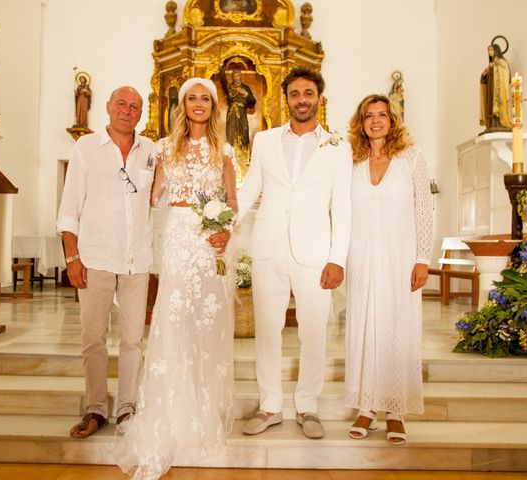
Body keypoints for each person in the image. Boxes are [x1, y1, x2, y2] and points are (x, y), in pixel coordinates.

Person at [116, 78, 237, 480]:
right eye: (192, 98)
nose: (198, 104)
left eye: (205, 98)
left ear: (213, 106)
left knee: (208, 326)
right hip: (178, 240)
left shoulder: (225, 151)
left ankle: (203, 413)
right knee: (174, 323)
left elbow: (233, 204)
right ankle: (170, 413)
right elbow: (150, 198)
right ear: (182, 105)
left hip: (210, 244)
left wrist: (226, 230)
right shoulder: (164, 149)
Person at [237, 67, 351, 439]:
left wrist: (337, 258)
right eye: (295, 94)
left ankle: (308, 405)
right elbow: (251, 187)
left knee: (313, 332)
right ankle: (270, 405)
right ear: (285, 99)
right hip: (268, 248)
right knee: (267, 331)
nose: (302, 99)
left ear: (319, 98)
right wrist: (221, 222)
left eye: (308, 93)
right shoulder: (265, 141)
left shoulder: (338, 146)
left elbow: (343, 207)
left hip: (316, 251)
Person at [56, 86, 156, 439]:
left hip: (137, 259)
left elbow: (160, 200)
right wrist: (72, 256)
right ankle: (96, 408)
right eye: (122, 104)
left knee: (132, 339)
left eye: (135, 107)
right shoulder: (85, 149)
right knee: (93, 339)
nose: (128, 111)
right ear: (109, 108)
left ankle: (128, 408)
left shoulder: (151, 152)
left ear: (141, 114)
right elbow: (69, 209)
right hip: (95, 257)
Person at [345, 94, 432, 445]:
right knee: (366, 328)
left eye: (382, 115)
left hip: (401, 257)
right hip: (362, 257)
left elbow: (424, 210)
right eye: (369, 116)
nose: (376, 121)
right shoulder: (351, 161)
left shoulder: (411, 158)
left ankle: (395, 410)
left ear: (392, 120)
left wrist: (422, 257)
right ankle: (366, 407)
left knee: (398, 329)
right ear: (361, 122)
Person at [480, 42, 511, 133]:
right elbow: (486, 76)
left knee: (497, 104)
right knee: (489, 105)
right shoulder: (492, 64)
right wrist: (484, 75)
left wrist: (494, 67)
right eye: (488, 50)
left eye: (491, 50)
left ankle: (499, 122)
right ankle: (490, 124)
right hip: (490, 88)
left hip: (498, 88)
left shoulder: (501, 62)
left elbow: (505, 72)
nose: (489, 52)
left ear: (496, 50)